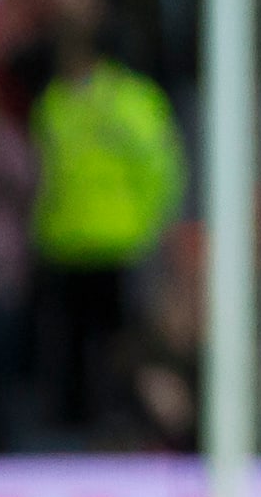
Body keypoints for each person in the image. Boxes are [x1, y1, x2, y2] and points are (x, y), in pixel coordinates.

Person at [28, 25, 184, 438]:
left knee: (121, 342)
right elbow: (44, 175)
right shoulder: (54, 103)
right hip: (65, 243)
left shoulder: (131, 100)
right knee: (69, 343)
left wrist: (151, 225)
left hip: (121, 242)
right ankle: (72, 427)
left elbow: (160, 168)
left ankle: (119, 422)